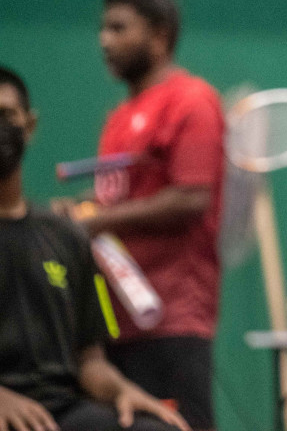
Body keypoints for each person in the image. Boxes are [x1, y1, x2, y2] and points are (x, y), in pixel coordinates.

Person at [67, 0, 225, 431]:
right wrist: (77, 212)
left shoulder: (192, 101)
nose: (104, 40)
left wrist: (95, 220)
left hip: (172, 321)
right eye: (102, 28)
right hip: (113, 329)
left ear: (159, 35)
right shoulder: (118, 118)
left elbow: (191, 196)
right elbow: (117, 201)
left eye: (119, 28)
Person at [0, 66, 191, 431]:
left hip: (61, 411)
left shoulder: (66, 236)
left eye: (6, 115)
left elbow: (90, 360)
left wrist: (122, 389)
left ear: (30, 125)